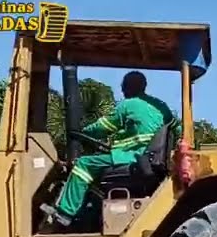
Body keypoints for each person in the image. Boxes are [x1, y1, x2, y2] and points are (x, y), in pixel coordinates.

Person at [41, 70, 175, 228]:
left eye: (123, 87)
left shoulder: (128, 105)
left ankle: (65, 212)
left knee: (84, 164)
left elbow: (102, 127)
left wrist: (80, 131)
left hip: (131, 157)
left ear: (127, 88)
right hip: (151, 159)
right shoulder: (161, 107)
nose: (123, 91)